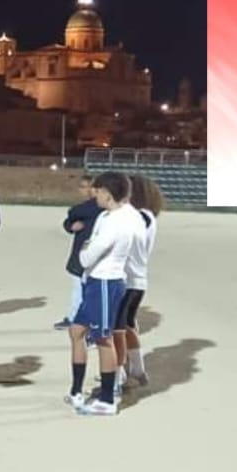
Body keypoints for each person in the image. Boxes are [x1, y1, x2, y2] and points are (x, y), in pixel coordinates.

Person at [67, 171, 141, 416]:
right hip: (95, 282)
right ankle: (77, 390)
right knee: (76, 331)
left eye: (97, 191)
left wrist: (86, 248)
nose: (93, 195)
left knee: (103, 339)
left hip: (106, 283)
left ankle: (108, 399)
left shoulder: (117, 222)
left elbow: (87, 255)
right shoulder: (112, 215)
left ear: (107, 194)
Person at [117, 174, 163, 389]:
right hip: (135, 278)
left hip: (128, 279)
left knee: (117, 327)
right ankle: (136, 369)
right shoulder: (147, 216)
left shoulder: (141, 217)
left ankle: (120, 373)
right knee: (127, 325)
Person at [56, 176, 101, 331]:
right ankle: (74, 317)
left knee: (86, 289)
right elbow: (68, 222)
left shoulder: (97, 207)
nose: (84, 190)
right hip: (80, 253)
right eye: (82, 187)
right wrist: (70, 226)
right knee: (78, 288)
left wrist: (72, 215)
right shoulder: (85, 208)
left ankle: (80, 319)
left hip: (92, 255)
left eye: (87, 187)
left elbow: (75, 211)